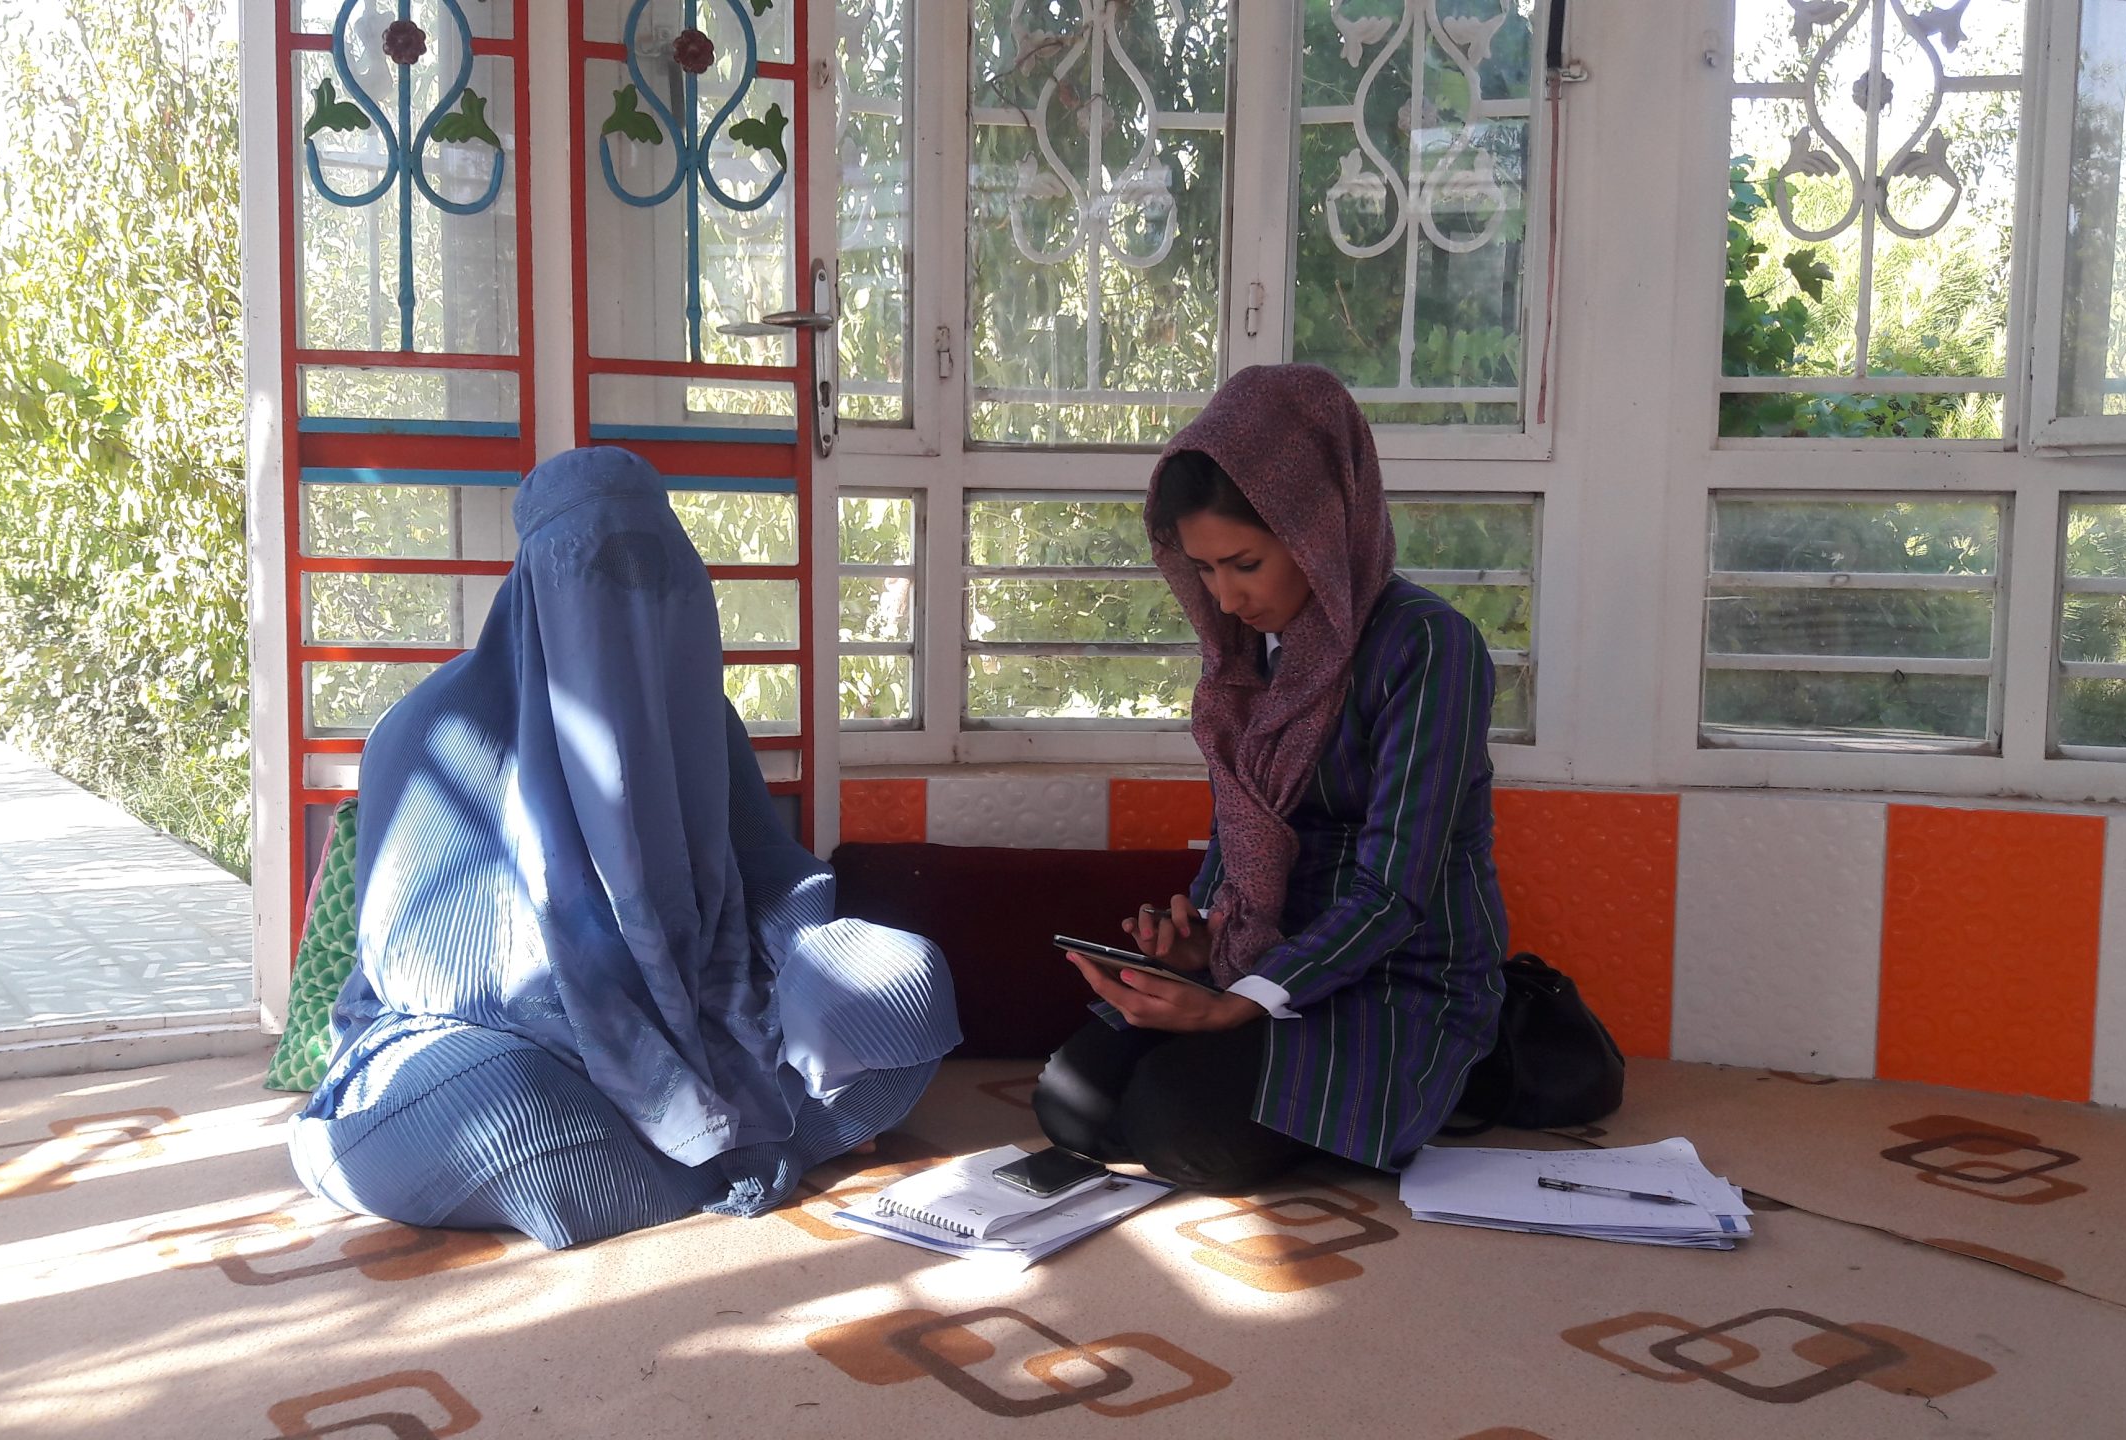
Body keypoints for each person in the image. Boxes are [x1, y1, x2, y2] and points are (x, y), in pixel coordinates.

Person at [289, 446, 960, 1249]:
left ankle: (665, 1152)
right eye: (594, 570)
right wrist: (588, 1016)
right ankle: (718, 1142)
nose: (624, 599)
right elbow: (409, 964)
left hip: (709, 1008)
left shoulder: (703, 719)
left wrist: (780, 975)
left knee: (905, 983)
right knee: (507, 1108)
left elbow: (772, 888)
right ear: (531, 583)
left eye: (650, 572)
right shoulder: (428, 730)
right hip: (500, 1035)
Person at [1032, 364, 1509, 1191]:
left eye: (1244, 563)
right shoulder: (1246, 661)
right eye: (1206, 570)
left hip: (1399, 974)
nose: (1226, 597)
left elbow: (1396, 890)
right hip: (1266, 962)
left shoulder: (1429, 648)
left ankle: (1448, 1068)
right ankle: (1271, 1069)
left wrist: (1241, 999)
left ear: (1321, 528)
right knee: (1071, 1101)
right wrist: (1202, 945)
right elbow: (1243, 833)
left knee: (1178, 1128)